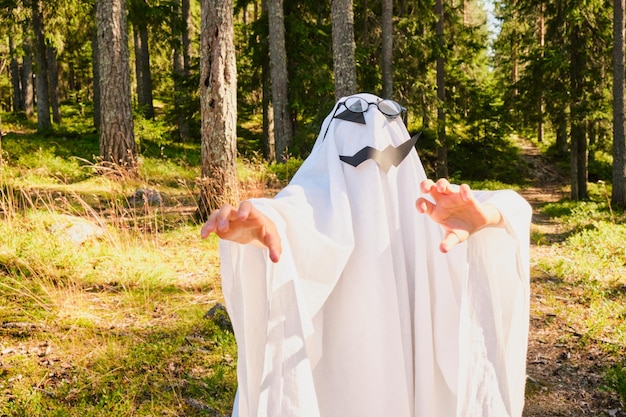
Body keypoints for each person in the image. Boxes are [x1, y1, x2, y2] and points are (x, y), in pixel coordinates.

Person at [201, 93, 531, 417]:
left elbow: (510, 206)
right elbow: (291, 214)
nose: (373, 133)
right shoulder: (317, 204)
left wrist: (487, 216)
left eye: (385, 122)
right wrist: (263, 223)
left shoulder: (429, 215)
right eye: (357, 119)